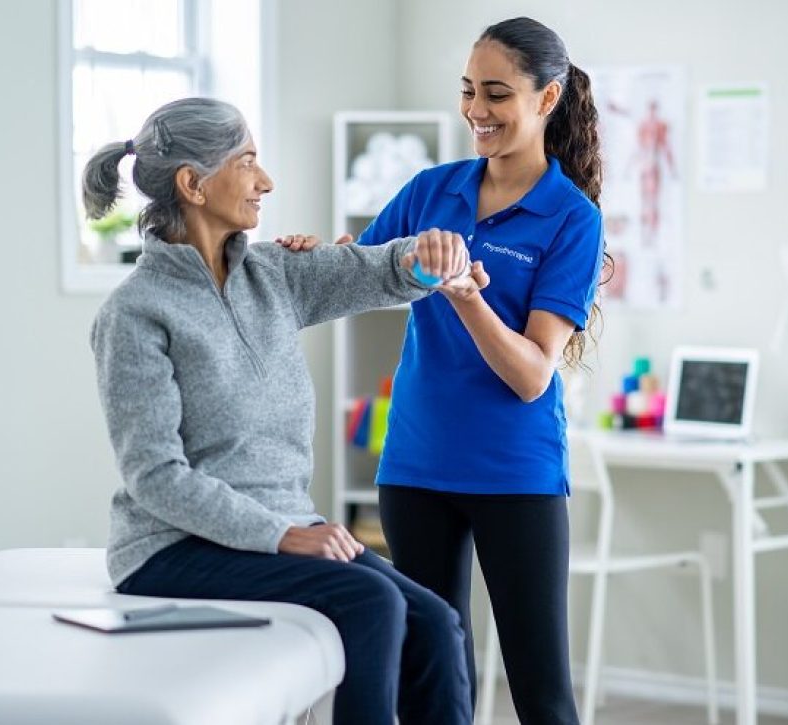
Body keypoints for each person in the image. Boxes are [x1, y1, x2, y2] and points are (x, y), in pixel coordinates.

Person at [84, 97, 479, 725]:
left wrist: (425, 257)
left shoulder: (272, 274)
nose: (265, 181)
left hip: (281, 526)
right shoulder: (135, 314)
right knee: (373, 602)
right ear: (193, 184)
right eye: (247, 162)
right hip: (173, 547)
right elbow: (154, 476)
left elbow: (375, 269)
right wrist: (285, 535)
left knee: (435, 622)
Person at [298, 16, 610, 724]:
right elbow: (359, 276)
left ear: (548, 98)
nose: (476, 110)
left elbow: (532, 375)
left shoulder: (572, 218)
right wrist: (312, 256)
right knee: (433, 679)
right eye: (468, 90)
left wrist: (467, 296)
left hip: (515, 474)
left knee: (543, 695)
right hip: (416, 465)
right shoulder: (430, 190)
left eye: (496, 94)